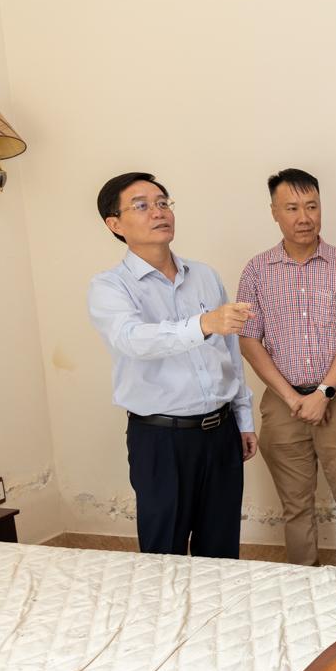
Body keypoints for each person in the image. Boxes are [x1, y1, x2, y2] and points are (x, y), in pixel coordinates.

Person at [88, 171, 258, 558]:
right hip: (161, 439)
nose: (158, 212)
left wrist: (243, 419)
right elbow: (132, 339)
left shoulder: (204, 275)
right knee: (164, 553)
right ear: (115, 224)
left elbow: (230, 353)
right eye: (142, 206)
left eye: (163, 203)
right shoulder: (109, 286)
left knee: (221, 552)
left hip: (221, 432)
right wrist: (203, 324)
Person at [236, 168, 336, 566]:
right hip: (284, 403)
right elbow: (249, 340)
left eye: (311, 206)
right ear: (274, 212)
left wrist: (323, 393)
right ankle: (303, 581)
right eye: (292, 208)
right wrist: (293, 397)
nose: (304, 217)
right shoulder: (257, 271)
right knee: (295, 505)